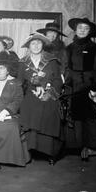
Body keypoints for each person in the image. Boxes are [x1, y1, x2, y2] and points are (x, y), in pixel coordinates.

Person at [17, 33, 63, 165]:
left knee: (49, 110)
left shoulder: (52, 60)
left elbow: (58, 81)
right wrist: (30, 88)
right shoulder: (22, 62)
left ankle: (50, 153)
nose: (36, 46)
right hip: (30, 94)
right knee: (28, 107)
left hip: (48, 94)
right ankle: (30, 151)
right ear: (28, 46)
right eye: (33, 43)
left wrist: (49, 93)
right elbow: (19, 82)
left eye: (39, 43)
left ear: (43, 45)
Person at [66, 18, 96, 161]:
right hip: (73, 86)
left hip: (89, 85)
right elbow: (67, 68)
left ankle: (87, 147)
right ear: (75, 30)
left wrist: (94, 89)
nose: (82, 30)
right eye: (80, 27)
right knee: (76, 117)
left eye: (86, 28)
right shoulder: (69, 48)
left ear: (89, 32)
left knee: (90, 117)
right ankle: (79, 146)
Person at [0, 60, 30, 169]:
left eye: (2, 68)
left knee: (11, 127)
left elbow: (18, 100)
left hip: (9, 114)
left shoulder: (16, 83)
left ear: (8, 71)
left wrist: (6, 111)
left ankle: (5, 158)